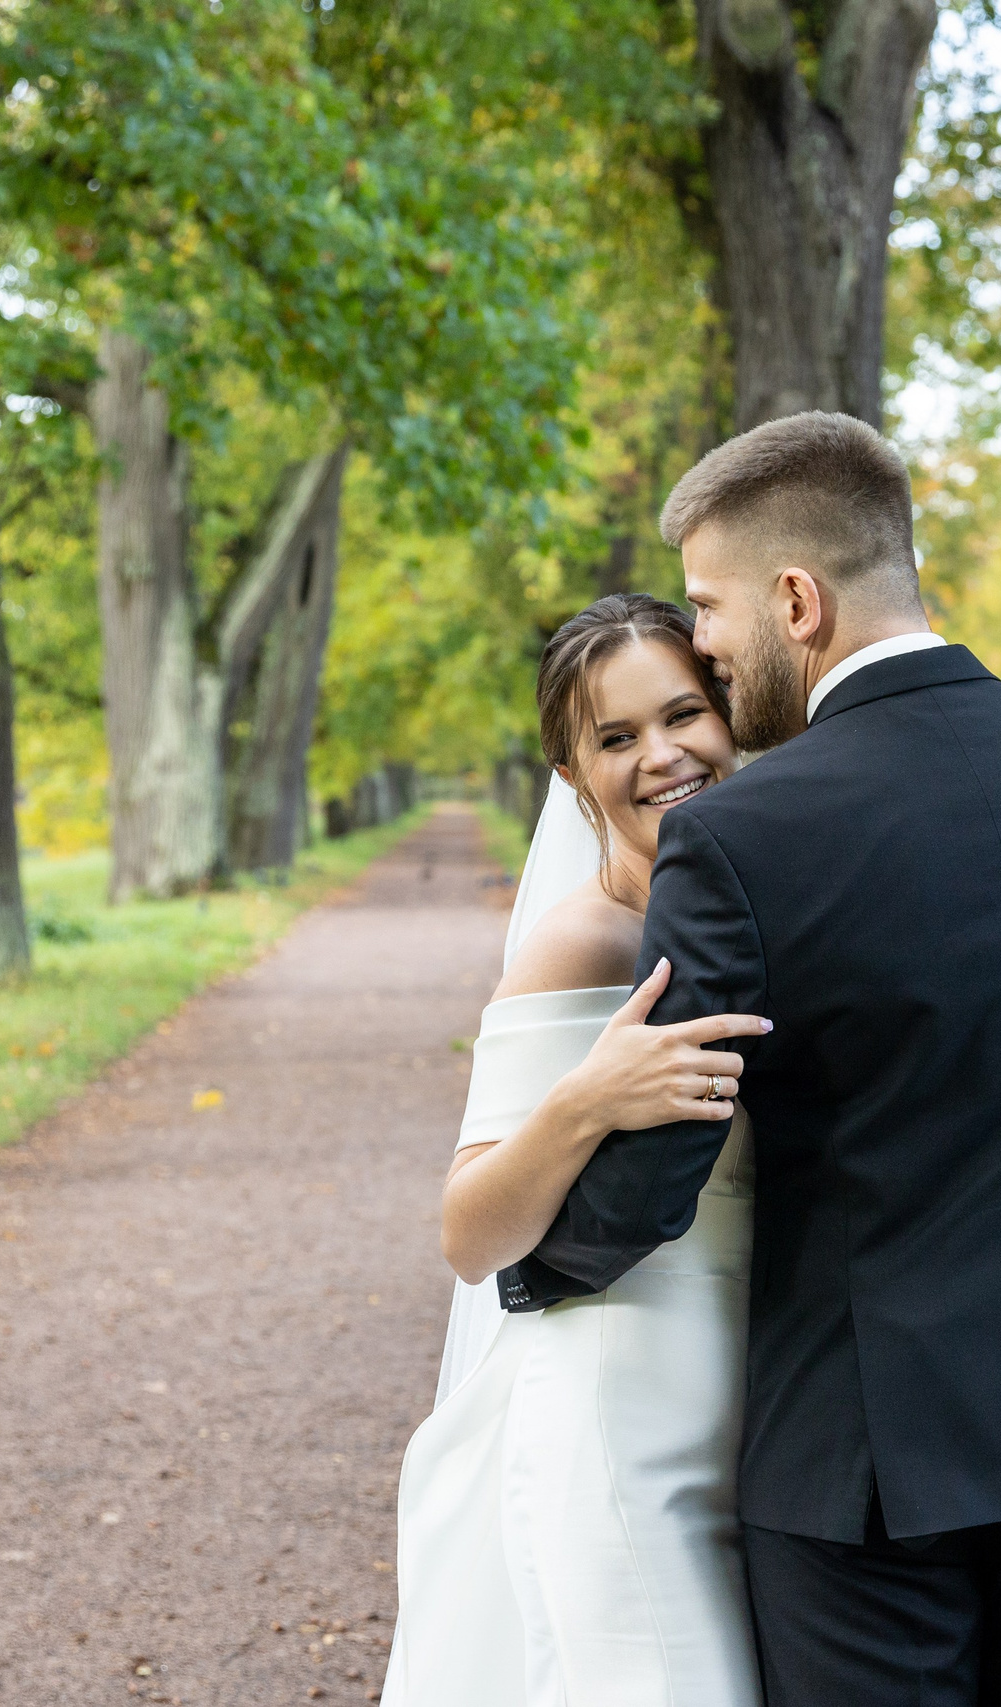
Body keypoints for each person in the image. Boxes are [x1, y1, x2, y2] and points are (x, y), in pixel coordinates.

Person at [498, 412, 1001, 1706]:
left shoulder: (740, 840)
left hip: (873, 1461)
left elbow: (655, 1174)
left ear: (797, 599)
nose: (712, 649)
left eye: (713, 612)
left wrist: (523, 1259)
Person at [383, 592, 772, 1707]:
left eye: (682, 713)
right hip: (620, 1416)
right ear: (572, 778)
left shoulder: (771, 905)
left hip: (763, 1416)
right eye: (615, 738)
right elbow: (470, 1234)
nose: (662, 756)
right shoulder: (580, 943)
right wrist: (586, 1101)